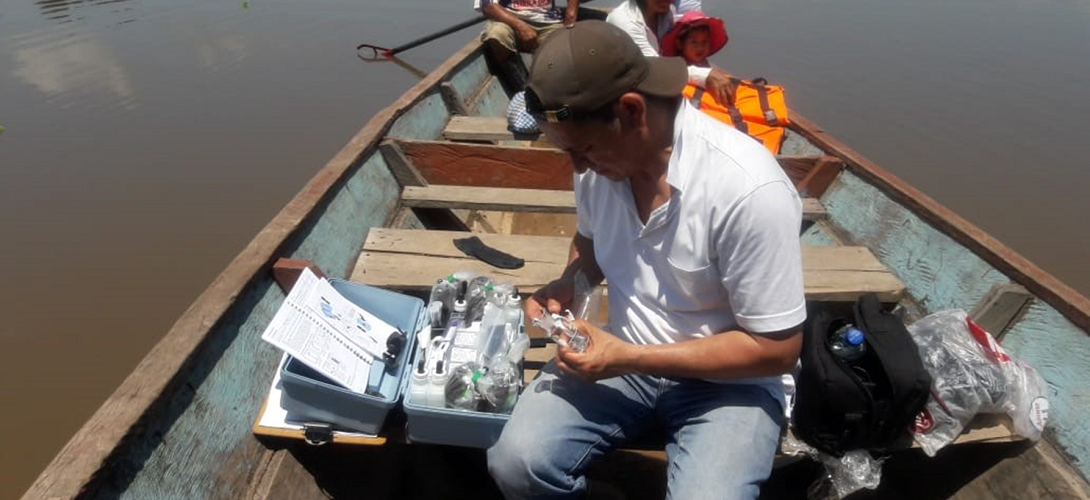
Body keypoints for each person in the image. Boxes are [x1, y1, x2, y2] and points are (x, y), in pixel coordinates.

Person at [486, 21, 806, 500]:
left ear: (632, 111)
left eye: (583, 150)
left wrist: (629, 357)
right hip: (625, 355)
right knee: (517, 464)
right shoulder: (597, 163)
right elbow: (590, 244)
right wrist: (569, 282)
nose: (577, 167)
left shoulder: (749, 190)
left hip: (730, 383)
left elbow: (777, 349)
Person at [606, 0, 734, 103]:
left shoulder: (667, 13)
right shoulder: (625, 21)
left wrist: (720, 74)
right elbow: (654, 68)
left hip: (663, 86)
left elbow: (680, 56)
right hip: (631, 98)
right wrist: (705, 75)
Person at [476, 0, 579, 64]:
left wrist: (570, 18)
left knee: (561, 53)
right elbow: (487, 5)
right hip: (509, 21)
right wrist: (521, 27)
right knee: (497, 34)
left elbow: (571, 14)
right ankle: (519, 86)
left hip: (548, 21)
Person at [660, 10, 728, 66]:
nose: (700, 48)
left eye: (704, 42)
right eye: (694, 42)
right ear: (679, 44)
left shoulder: (705, 63)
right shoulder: (677, 66)